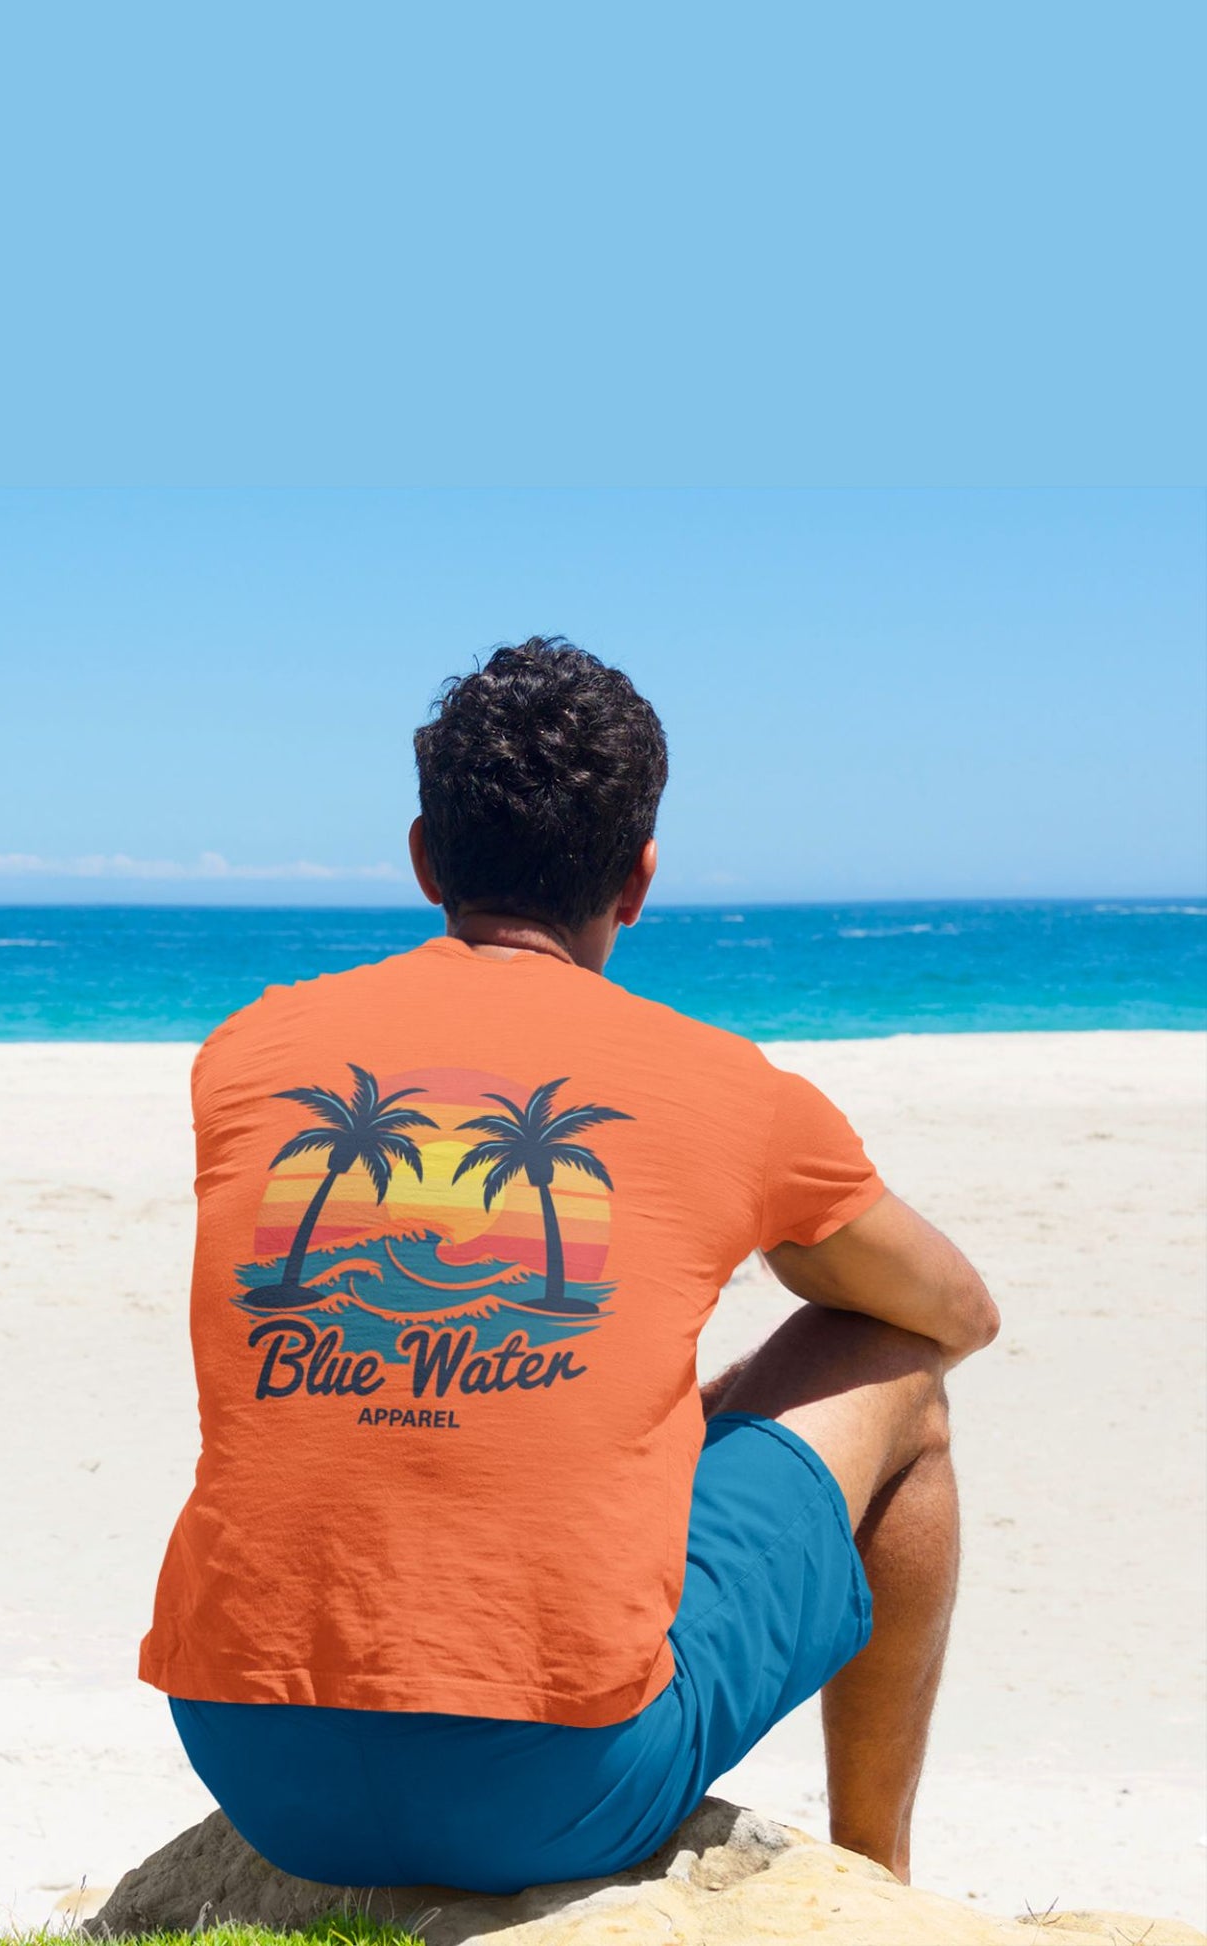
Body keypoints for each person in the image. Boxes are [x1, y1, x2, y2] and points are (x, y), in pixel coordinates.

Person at [137, 637, 998, 1894]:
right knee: (898, 1373)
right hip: (549, 1790)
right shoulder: (727, 1087)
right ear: (638, 876)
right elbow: (951, 1311)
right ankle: (878, 1871)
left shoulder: (247, 1049)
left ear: (425, 854)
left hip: (253, 1758)